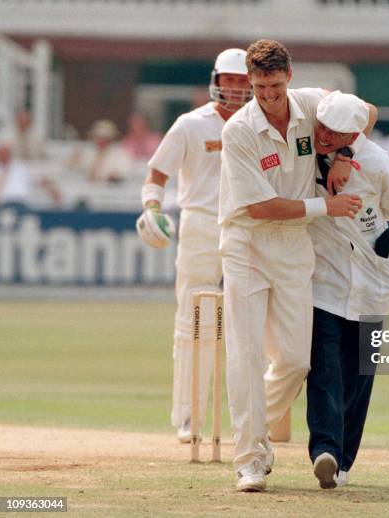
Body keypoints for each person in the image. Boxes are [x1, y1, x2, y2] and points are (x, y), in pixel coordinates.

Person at [219, 39, 375, 492]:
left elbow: (367, 111)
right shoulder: (240, 131)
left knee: (292, 360)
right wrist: (325, 207)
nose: (268, 95)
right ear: (250, 82)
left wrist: (345, 153)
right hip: (247, 244)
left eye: (275, 85)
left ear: (291, 76)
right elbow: (262, 208)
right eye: (260, 86)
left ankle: (252, 436)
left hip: (292, 249)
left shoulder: (311, 105)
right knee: (246, 355)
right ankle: (249, 458)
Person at [136, 48, 253, 443]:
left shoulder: (259, 124)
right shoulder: (190, 124)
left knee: (246, 324)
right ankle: (188, 416)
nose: (236, 88)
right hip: (201, 225)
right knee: (192, 323)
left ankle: (252, 420)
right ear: (216, 82)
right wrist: (152, 208)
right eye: (230, 80)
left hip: (247, 225)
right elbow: (157, 172)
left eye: (242, 81)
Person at [306, 92, 389, 489]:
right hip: (325, 278)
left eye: (336, 133)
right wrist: (339, 155)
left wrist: (348, 158)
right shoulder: (308, 146)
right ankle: (325, 450)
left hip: (373, 280)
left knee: (358, 372)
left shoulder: (381, 164)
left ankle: (344, 462)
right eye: (322, 128)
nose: (324, 136)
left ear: (353, 133)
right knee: (323, 364)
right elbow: (369, 107)